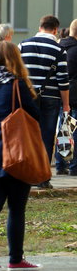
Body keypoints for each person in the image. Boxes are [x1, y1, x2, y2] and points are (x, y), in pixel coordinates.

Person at [0, 41, 43, 271]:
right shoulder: (17, 84)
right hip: (16, 151)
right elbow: (34, 114)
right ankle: (15, 259)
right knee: (16, 207)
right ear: (16, 59)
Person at [19, 14, 69, 189]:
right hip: (51, 98)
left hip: (28, 97)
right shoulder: (59, 49)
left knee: (27, 135)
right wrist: (66, 105)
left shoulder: (23, 45)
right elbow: (63, 80)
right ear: (55, 29)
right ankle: (42, 177)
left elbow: (17, 73)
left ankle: (25, 173)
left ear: (40, 27)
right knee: (46, 136)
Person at [55, 19, 77, 175]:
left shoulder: (58, 47)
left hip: (58, 93)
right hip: (75, 95)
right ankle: (74, 166)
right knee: (74, 130)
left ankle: (60, 164)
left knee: (63, 129)